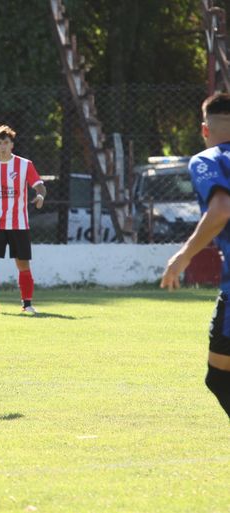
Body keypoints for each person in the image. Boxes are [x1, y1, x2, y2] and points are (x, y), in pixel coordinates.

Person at [161, 92, 230, 420]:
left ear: (205, 129)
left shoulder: (210, 159)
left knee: (219, 377)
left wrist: (184, 255)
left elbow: (221, 209)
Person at [0, 125, 47, 315]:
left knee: (23, 264)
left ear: (12, 145)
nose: (3, 146)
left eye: (6, 142)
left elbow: (40, 186)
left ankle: (27, 304)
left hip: (19, 224)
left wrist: (40, 197)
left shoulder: (24, 165)